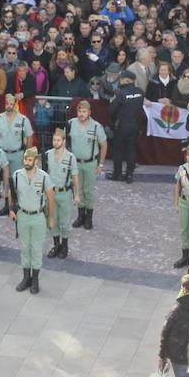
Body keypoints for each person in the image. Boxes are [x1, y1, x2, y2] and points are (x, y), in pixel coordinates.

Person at [10, 147, 54, 294]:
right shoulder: (17, 175)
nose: (27, 162)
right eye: (25, 159)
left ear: (36, 161)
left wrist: (51, 218)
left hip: (38, 217)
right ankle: (26, 278)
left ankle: (35, 280)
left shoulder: (44, 177)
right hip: (22, 215)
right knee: (25, 247)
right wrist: (11, 209)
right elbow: (11, 192)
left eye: (30, 160)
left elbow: (51, 198)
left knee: (36, 248)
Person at [67, 100, 107, 230]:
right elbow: (64, 141)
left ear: (89, 112)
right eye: (79, 111)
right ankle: (80, 216)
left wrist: (101, 165)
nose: (81, 114)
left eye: (84, 111)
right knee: (78, 190)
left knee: (88, 191)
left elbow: (104, 145)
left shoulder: (96, 126)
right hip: (75, 164)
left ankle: (89, 217)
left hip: (90, 164)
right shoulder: (70, 124)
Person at [43, 129, 80, 260]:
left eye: (58, 140)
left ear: (64, 141)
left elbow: (75, 176)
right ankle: (56, 245)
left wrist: (77, 194)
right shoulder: (47, 155)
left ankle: (65, 246)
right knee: (52, 220)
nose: (55, 142)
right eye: (54, 140)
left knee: (64, 222)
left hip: (65, 193)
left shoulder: (70, 157)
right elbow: (43, 174)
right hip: (51, 193)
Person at [0, 93, 33, 215]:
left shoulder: (23, 119)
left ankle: (16, 205)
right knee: (5, 181)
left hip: (17, 154)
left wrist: (27, 155)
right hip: (3, 153)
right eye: (7, 104)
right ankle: (7, 205)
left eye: (11, 104)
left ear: (15, 104)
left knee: (17, 180)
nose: (9, 106)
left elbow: (29, 137)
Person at [108, 71, 145, 183]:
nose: (120, 81)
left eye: (121, 79)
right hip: (135, 124)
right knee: (131, 150)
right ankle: (129, 175)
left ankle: (117, 174)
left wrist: (113, 121)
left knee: (117, 149)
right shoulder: (140, 92)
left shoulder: (121, 93)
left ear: (127, 80)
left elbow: (111, 110)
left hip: (122, 125)